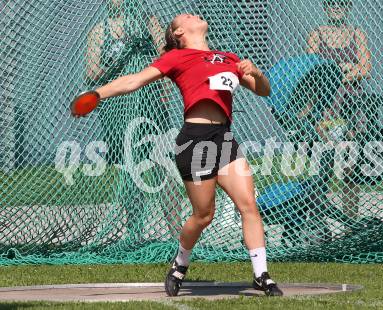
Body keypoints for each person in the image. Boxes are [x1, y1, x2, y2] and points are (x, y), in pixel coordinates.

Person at [87, 13, 283, 297]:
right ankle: (180, 263)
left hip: (224, 139)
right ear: (179, 31)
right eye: (186, 16)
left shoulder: (228, 57)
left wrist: (257, 73)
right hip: (195, 140)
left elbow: (264, 91)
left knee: (249, 205)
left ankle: (261, 275)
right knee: (204, 215)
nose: (194, 14)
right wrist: (97, 93)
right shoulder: (177, 58)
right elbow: (134, 81)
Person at [85, 0, 182, 242]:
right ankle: (134, 232)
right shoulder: (99, 31)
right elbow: (91, 73)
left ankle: (177, 235)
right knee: (130, 170)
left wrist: (165, 91)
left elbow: (166, 59)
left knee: (164, 167)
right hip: (117, 111)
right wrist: (120, 63)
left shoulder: (148, 22)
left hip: (151, 106)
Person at [306, 0, 372, 219]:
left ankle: (350, 222)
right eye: (331, 3)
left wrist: (336, 74)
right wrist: (344, 70)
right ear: (325, 7)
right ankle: (317, 220)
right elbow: (311, 70)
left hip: (351, 105)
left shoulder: (356, 33)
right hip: (326, 108)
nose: (336, 7)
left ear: (348, 6)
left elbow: (366, 68)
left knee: (350, 166)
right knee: (323, 164)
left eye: (341, 3)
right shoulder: (317, 34)